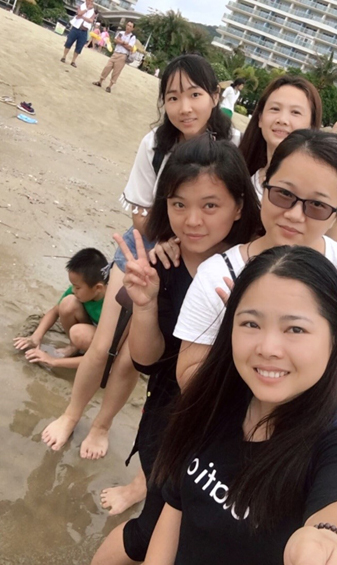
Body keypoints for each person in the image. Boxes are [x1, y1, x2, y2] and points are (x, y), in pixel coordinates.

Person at [110, 246, 337, 565]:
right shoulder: (215, 399)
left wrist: (330, 540)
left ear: (336, 337)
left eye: (295, 329)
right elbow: (176, 507)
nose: (268, 348)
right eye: (251, 324)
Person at [41, 54, 240, 459]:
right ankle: (70, 414)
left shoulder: (234, 144)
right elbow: (139, 211)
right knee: (102, 345)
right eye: (173, 97)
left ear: (215, 97)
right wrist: (165, 239)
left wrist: (185, 243)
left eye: (195, 95)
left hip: (195, 257)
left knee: (132, 357)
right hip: (146, 246)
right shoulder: (155, 144)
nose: (184, 108)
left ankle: (102, 425)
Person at [174, 129, 337, 464]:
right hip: (241, 446)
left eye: (317, 205)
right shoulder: (219, 274)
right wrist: (234, 332)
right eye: (283, 194)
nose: (295, 215)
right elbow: (189, 376)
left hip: (328, 457)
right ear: (264, 184)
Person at [92, 136, 262, 562]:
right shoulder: (162, 265)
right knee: (148, 534)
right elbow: (146, 360)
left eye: (210, 205)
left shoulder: (258, 269)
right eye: (178, 204)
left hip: (233, 429)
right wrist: (145, 304)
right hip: (169, 421)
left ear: (238, 207)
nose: (192, 221)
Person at [238, 75, 337, 243]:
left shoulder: (317, 189)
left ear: (311, 124)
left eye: (295, 112)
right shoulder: (239, 175)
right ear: (260, 118)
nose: (282, 120)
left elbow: (336, 237)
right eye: (274, 109)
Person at [13, 248, 107, 369]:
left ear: (98, 288)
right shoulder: (83, 291)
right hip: (93, 330)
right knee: (68, 302)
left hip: (106, 343)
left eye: (77, 287)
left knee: (79, 333)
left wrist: (53, 361)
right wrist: (36, 336)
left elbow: (104, 356)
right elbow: (54, 311)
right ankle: (74, 347)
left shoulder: (112, 306)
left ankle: (82, 350)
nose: (73, 290)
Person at [93, 21, 136, 93]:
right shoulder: (121, 33)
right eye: (128, 25)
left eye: (130, 26)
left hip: (123, 55)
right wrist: (124, 42)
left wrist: (120, 42)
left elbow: (130, 47)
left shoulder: (132, 37)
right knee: (107, 67)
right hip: (115, 53)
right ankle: (100, 81)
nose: (128, 27)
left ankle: (109, 86)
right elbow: (116, 40)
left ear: (132, 29)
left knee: (116, 71)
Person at [60, 0, 96, 68]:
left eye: (92, 1)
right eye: (90, 1)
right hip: (76, 28)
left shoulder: (93, 11)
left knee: (79, 46)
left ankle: (73, 61)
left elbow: (91, 20)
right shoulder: (81, 6)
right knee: (69, 42)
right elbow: (79, 13)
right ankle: (64, 56)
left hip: (84, 30)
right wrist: (86, 9)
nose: (91, 2)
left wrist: (82, 17)